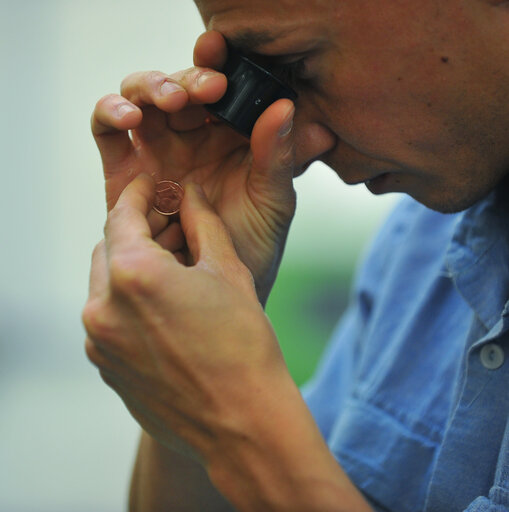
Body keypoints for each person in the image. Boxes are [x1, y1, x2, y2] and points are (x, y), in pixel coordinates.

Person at [82, 0, 509, 510]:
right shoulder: (418, 250)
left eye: (297, 64)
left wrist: (237, 417)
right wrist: (206, 289)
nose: (301, 142)